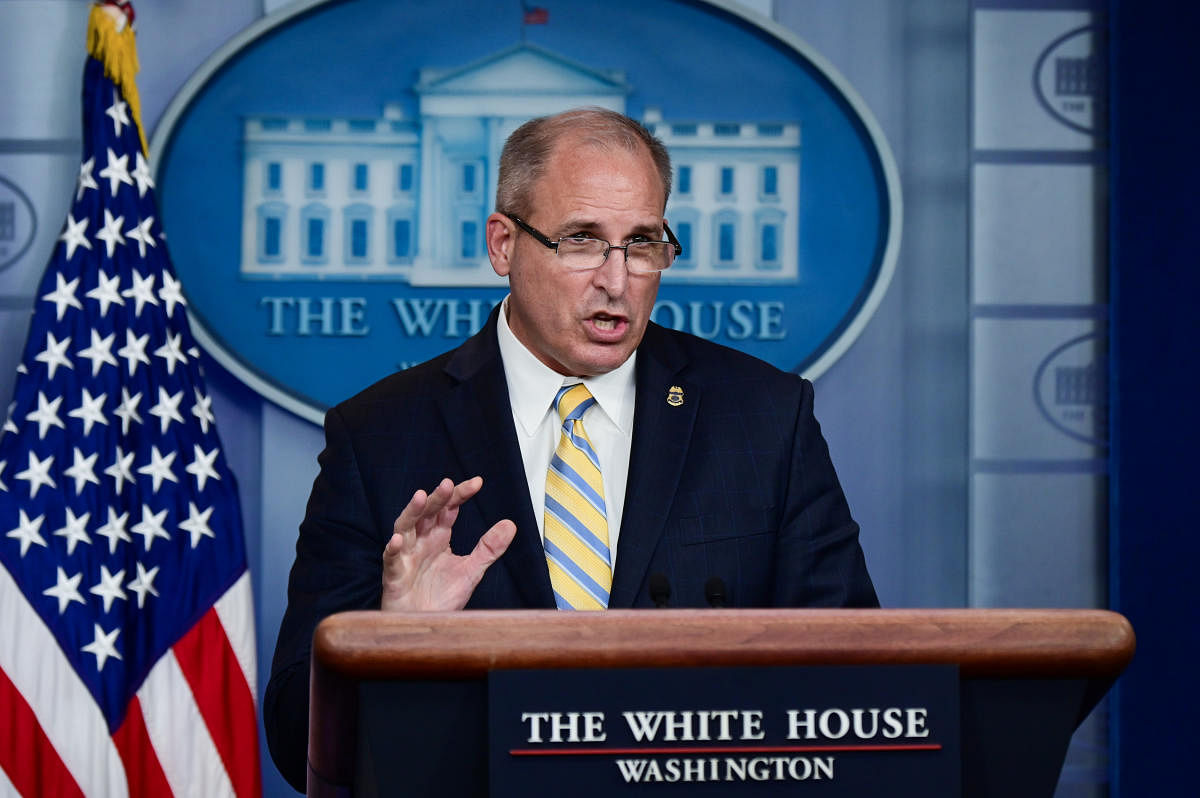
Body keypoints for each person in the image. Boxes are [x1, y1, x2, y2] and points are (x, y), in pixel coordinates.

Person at [263, 107, 877, 791]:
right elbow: (296, 739)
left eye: (642, 243)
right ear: (503, 244)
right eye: (583, 240)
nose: (617, 281)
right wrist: (391, 642)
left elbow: (853, 689)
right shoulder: (378, 436)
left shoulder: (764, 418)